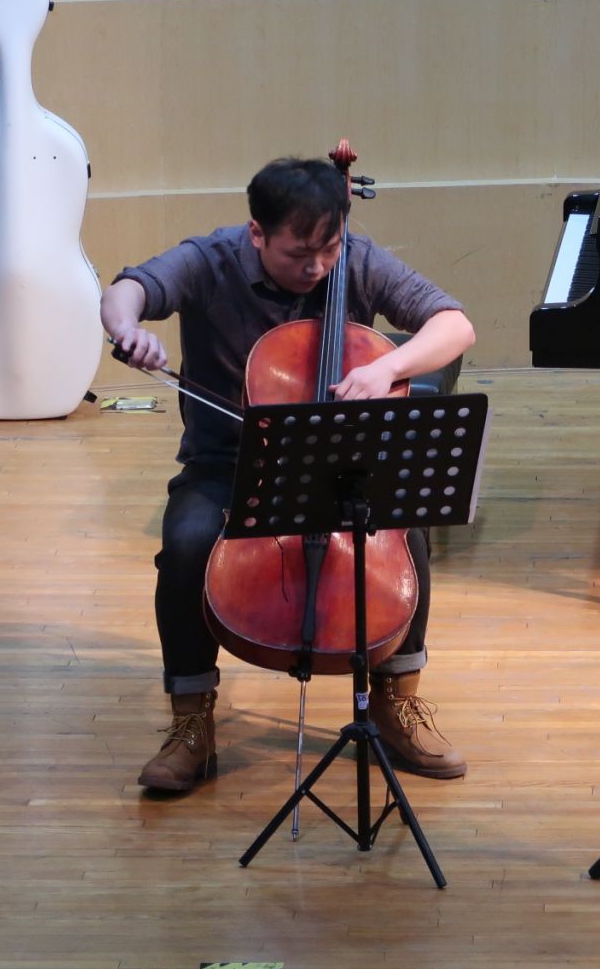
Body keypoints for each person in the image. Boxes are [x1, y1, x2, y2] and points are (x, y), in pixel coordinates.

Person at [102, 156, 477, 792]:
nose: (317, 267)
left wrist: (387, 368)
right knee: (187, 542)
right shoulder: (211, 260)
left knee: (408, 534)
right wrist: (127, 329)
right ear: (257, 233)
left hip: (340, 462)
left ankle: (396, 702)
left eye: (328, 249)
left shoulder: (354, 258)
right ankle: (191, 720)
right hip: (229, 464)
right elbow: (128, 290)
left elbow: (454, 324)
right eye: (299, 253)